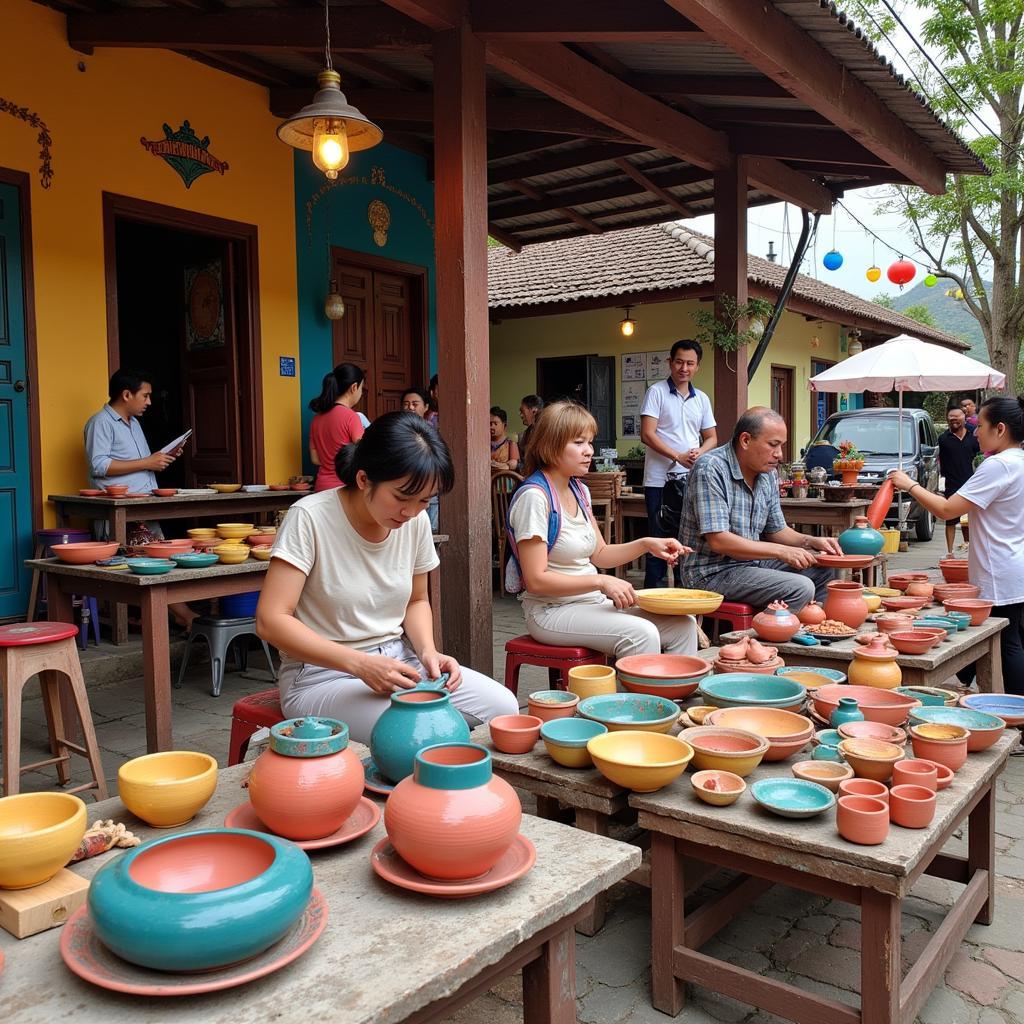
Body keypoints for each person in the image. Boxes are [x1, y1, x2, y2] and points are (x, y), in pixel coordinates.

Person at [256, 411, 518, 741]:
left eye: (425, 500)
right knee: (418, 733)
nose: (410, 512)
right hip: (321, 676)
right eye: (401, 497)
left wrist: (428, 652)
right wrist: (359, 664)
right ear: (364, 479)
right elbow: (270, 619)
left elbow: (417, 599)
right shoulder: (309, 518)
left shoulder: (415, 522)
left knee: (503, 709)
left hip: (399, 663)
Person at [507, 401, 697, 659]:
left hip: (590, 604)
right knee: (642, 633)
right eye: (578, 443)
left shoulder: (580, 490)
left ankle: (674, 695)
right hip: (550, 612)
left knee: (683, 625)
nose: (589, 451)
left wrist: (646, 544)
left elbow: (601, 553)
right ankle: (638, 700)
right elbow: (536, 580)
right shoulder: (535, 497)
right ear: (549, 445)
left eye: (589, 442)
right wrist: (600, 581)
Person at [890, 395, 1024, 697]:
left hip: (999, 570)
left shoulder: (998, 465)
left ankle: (1017, 718)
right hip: (1014, 563)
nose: (976, 432)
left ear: (1000, 428)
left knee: (1007, 644)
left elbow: (948, 510)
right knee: (1013, 638)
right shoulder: (1019, 461)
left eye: (981, 425)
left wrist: (909, 485)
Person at [677, 408, 839, 611]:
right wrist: (782, 552)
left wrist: (810, 542)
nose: (779, 455)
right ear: (745, 440)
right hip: (711, 572)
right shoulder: (710, 468)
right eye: (773, 445)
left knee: (823, 568)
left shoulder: (767, 473)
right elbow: (718, 541)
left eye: (781, 446)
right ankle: (765, 636)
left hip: (752, 564)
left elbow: (776, 530)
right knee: (800, 588)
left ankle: (810, 627)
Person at [83, 368, 196, 630]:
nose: (149, 402)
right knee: (151, 563)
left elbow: (139, 465)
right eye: (145, 396)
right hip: (121, 510)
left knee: (162, 560)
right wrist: (148, 461)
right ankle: (184, 615)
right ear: (126, 394)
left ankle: (174, 614)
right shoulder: (100, 422)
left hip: (142, 505)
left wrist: (162, 457)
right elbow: (98, 466)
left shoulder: (134, 424)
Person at [639, 340, 717, 588]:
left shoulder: (702, 399)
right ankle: (653, 599)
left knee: (688, 541)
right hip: (658, 481)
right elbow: (647, 434)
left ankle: (686, 595)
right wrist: (677, 456)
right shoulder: (657, 392)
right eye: (679, 362)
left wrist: (699, 453)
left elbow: (712, 437)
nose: (684, 368)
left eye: (690, 363)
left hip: (690, 481)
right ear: (670, 362)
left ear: (697, 367)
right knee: (658, 540)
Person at [309, 363, 366, 492]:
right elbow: (364, 454)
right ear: (354, 387)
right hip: (345, 488)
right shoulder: (352, 417)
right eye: (362, 388)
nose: (361, 393)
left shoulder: (316, 419)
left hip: (321, 487)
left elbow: (315, 459)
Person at [937, 406, 980, 553]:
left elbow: (979, 458)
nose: (954, 420)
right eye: (951, 418)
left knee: (971, 519)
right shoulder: (943, 439)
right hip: (952, 484)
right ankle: (950, 552)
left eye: (957, 417)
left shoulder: (973, 439)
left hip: (972, 483)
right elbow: (940, 462)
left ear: (964, 418)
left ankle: (970, 547)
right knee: (951, 519)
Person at [401, 387, 439, 530]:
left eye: (415, 404)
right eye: (406, 403)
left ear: (426, 407)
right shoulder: (398, 429)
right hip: (405, 488)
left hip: (427, 487)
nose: (410, 407)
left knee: (430, 530)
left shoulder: (432, 431)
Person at [489, 407, 520, 474]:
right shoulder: (485, 445)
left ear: (504, 425)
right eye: (489, 424)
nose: (491, 427)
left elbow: (515, 465)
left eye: (495, 424)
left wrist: (504, 466)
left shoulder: (511, 444)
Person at [518, 395, 544, 469]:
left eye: (522, 411)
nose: (521, 415)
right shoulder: (524, 435)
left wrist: (517, 465)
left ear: (534, 411)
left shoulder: (546, 432)